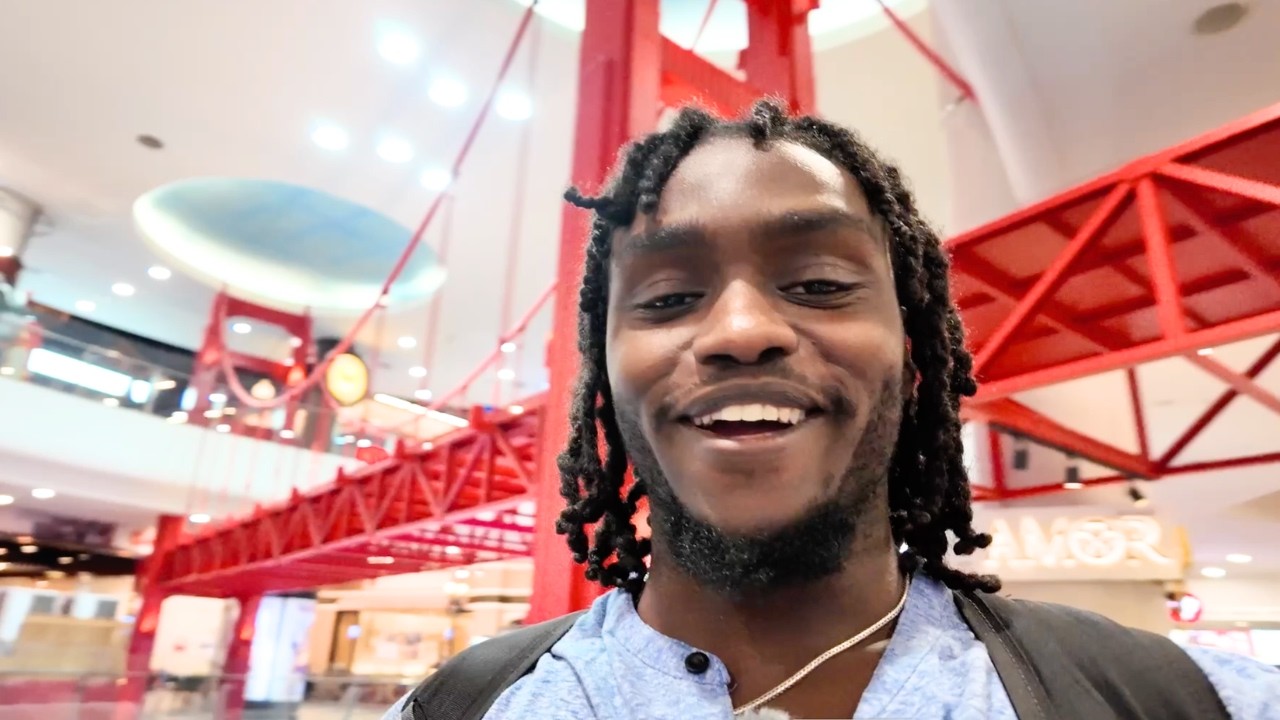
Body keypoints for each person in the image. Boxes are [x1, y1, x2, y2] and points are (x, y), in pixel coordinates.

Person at [388, 101, 1280, 719]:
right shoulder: (457, 708)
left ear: (915, 350)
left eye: (819, 283)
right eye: (666, 299)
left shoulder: (1182, 701)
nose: (742, 331)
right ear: (605, 375)